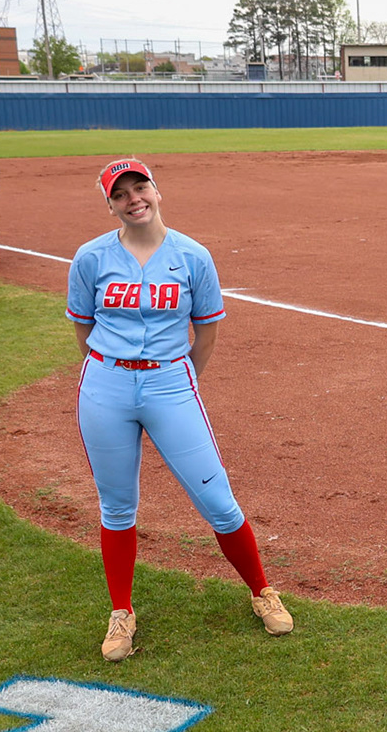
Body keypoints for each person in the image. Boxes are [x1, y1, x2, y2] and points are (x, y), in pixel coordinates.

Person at [66, 158, 293, 661]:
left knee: (218, 500)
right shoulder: (90, 258)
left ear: (156, 190)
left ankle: (261, 590)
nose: (133, 199)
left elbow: (206, 330)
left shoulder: (193, 256)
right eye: (120, 193)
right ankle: (121, 612)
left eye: (139, 187)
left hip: (171, 382)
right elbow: (83, 327)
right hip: (106, 384)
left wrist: (177, 377)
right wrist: (115, 372)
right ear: (110, 205)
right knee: (117, 506)